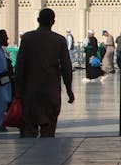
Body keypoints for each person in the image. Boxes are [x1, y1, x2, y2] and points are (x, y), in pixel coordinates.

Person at [14, 8, 75, 137]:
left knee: (29, 130)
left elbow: (19, 66)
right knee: (48, 130)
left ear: (38, 20)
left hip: (30, 92)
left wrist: (17, 89)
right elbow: (66, 67)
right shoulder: (59, 40)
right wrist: (69, 89)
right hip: (50, 92)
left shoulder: (27, 39)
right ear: (53, 22)